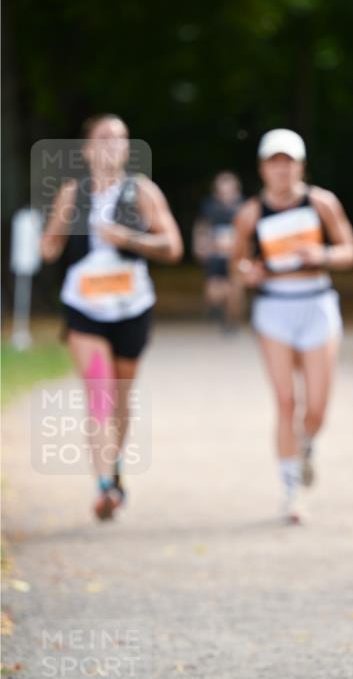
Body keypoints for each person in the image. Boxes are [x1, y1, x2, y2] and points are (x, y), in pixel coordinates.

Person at [41, 113, 183, 520]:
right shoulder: (72, 192)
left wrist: (129, 238)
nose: (113, 145)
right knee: (99, 394)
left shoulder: (142, 192)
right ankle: (104, 486)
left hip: (131, 307)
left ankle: (113, 468)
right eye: (104, 138)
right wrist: (49, 233)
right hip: (84, 308)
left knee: (120, 398)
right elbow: (49, 250)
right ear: (86, 149)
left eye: (121, 138)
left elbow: (173, 247)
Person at [232, 128, 353, 523]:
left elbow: (350, 251)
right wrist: (248, 273)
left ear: (300, 165)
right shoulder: (251, 213)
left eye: (289, 161)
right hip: (274, 309)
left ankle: (306, 445)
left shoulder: (321, 203)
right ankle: (291, 493)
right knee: (286, 401)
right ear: (263, 168)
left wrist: (319, 253)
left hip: (316, 303)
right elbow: (237, 266)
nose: (282, 170)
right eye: (274, 162)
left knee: (317, 407)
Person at [192, 171, 245, 331]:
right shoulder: (209, 207)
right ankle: (220, 310)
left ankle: (232, 321)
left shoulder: (244, 206)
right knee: (214, 292)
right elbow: (201, 228)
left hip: (235, 254)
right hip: (215, 254)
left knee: (234, 289)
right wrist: (200, 245)